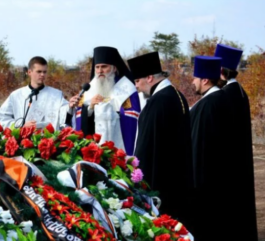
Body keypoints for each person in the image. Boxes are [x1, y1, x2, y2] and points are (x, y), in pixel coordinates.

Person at [127, 51, 194, 228]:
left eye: (137, 81)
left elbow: (145, 147)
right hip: (179, 179)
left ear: (149, 78)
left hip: (161, 182)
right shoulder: (176, 95)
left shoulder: (157, 102)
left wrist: (137, 177)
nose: (137, 87)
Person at [214, 44, 258, 241]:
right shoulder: (239, 91)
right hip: (240, 160)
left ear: (221, 71)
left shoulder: (224, 95)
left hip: (229, 162)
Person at [189, 56, 234, 240]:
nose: (193, 82)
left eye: (195, 78)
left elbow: (200, 145)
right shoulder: (220, 98)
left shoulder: (209, 103)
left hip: (206, 183)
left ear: (205, 80)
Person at [69, 46, 141, 155]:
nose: (100, 71)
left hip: (117, 149)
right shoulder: (88, 90)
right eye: (97, 67)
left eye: (104, 67)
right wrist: (90, 108)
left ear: (114, 68)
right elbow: (79, 121)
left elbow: (131, 122)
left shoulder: (127, 90)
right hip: (94, 149)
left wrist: (107, 109)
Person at [0, 56, 70, 130]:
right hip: (23, 140)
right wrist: (21, 126)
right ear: (29, 72)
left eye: (44, 72)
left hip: (49, 139)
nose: (42, 75)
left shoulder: (56, 95)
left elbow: (66, 117)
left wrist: (70, 107)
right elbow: (2, 118)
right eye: (39, 71)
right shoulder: (16, 95)